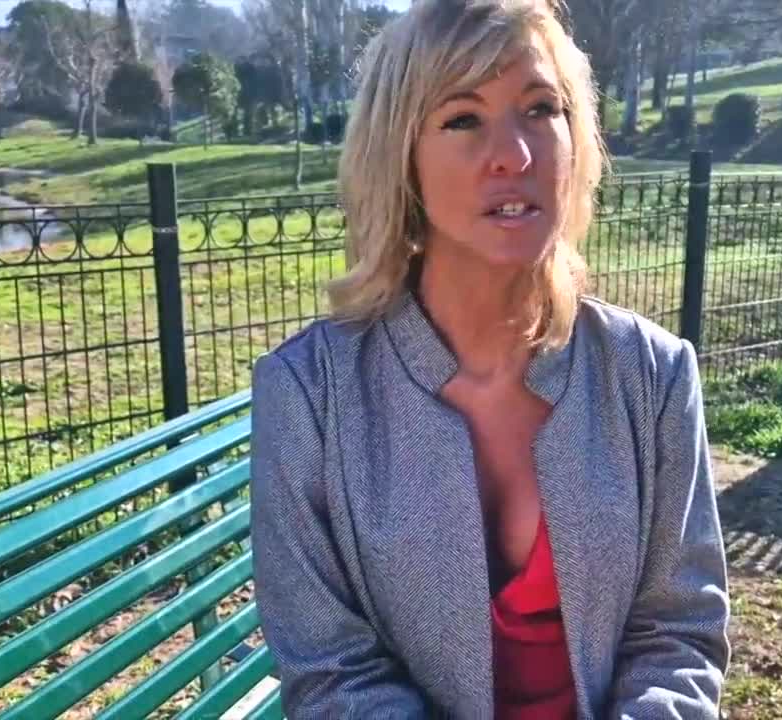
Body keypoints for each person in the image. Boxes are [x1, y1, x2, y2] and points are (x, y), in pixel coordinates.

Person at [246, 0, 731, 717]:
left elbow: (678, 634)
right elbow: (330, 673)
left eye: (540, 109)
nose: (516, 155)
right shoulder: (308, 395)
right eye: (463, 118)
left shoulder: (652, 374)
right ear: (400, 156)